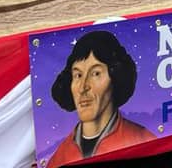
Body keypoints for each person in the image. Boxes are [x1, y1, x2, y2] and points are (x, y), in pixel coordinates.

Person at [48, 31, 156, 167]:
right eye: (78, 75)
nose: (83, 87)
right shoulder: (59, 158)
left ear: (115, 76)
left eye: (95, 73)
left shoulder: (143, 139)